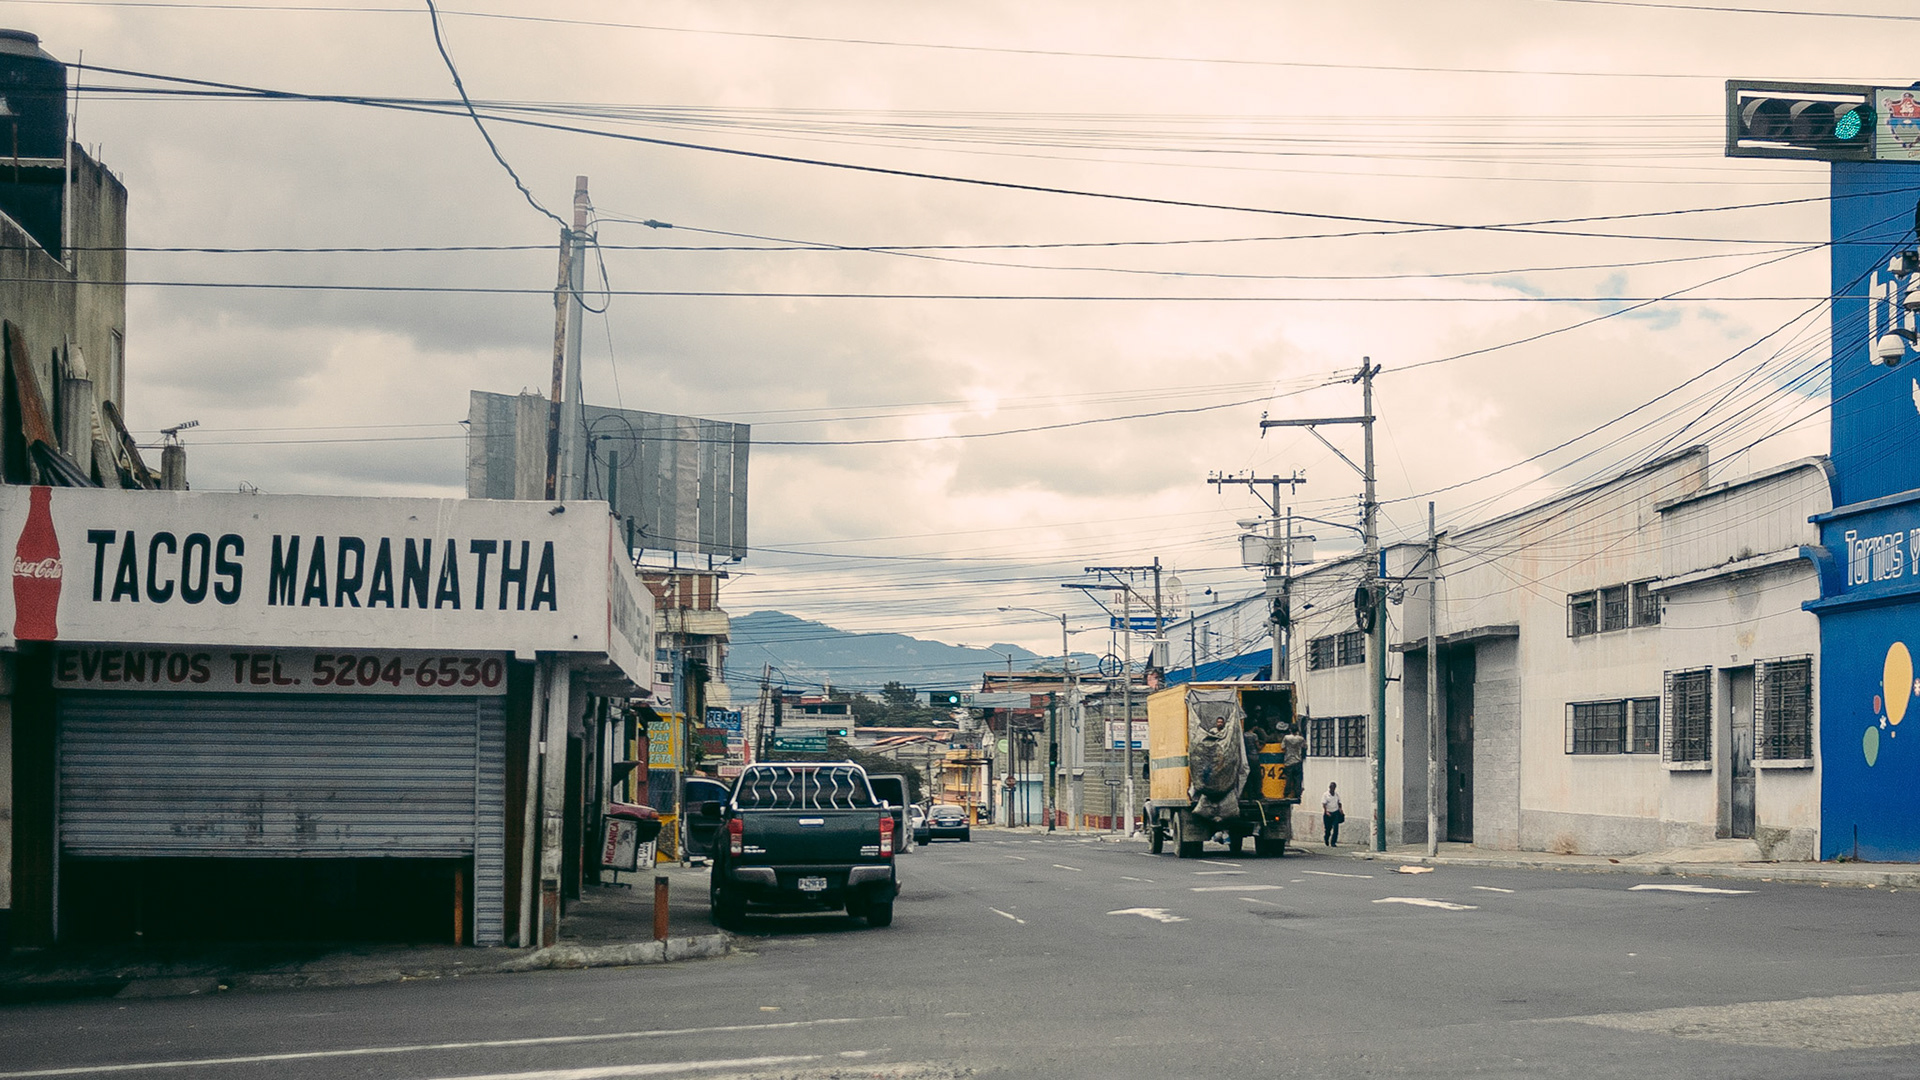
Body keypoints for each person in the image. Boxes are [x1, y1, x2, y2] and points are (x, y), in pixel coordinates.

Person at [1322, 782, 1344, 847]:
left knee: (1336, 828)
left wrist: (1340, 809)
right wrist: (1326, 812)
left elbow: (1339, 802)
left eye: (1333, 787)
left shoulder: (1336, 795)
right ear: (1329, 787)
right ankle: (1326, 838)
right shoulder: (1326, 795)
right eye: (1331, 787)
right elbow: (1324, 804)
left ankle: (1333, 842)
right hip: (1328, 814)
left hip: (1335, 813)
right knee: (1328, 829)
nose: (1332, 789)